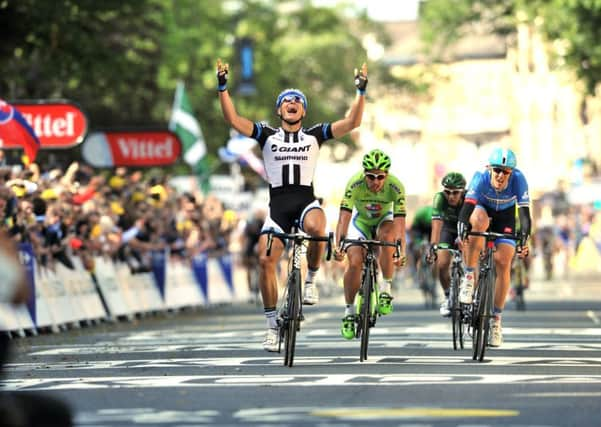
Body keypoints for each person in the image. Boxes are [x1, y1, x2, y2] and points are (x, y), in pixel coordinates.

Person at [216, 58, 368, 351]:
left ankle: (310, 278)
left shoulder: (314, 135)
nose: (292, 102)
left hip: (305, 201)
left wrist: (360, 93)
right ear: (279, 110)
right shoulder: (266, 134)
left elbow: (352, 122)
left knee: (317, 225)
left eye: (298, 100)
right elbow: (234, 120)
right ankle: (272, 325)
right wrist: (223, 87)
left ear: (304, 110)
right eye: (287, 100)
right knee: (265, 260)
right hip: (278, 208)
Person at [457, 147, 531, 347]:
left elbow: (524, 215)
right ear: (489, 168)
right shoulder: (480, 177)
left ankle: (496, 320)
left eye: (505, 171)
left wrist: (524, 240)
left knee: (503, 261)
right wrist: (463, 227)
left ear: (511, 172)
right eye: (497, 170)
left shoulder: (519, 179)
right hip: (482, 210)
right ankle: (470, 277)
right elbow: (467, 207)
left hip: (505, 216)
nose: (500, 175)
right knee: (478, 223)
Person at [333, 149, 407, 339]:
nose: (375, 182)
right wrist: (339, 244)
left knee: (388, 239)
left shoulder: (396, 186)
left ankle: (385, 289)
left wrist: (401, 249)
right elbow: (344, 217)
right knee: (355, 260)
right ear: (364, 174)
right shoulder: (355, 183)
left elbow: (400, 223)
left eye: (380, 177)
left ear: (387, 175)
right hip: (361, 222)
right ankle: (349, 312)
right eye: (371, 177)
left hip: (384, 220)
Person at [426, 172, 466, 317]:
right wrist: (433, 246)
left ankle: (471, 294)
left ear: (462, 191)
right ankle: (448, 296)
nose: (451, 196)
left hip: (467, 229)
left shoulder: (469, 198)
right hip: (447, 229)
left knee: (472, 260)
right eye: (447, 192)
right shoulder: (439, 198)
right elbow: (436, 224)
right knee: (442, 264)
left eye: (455, 193)